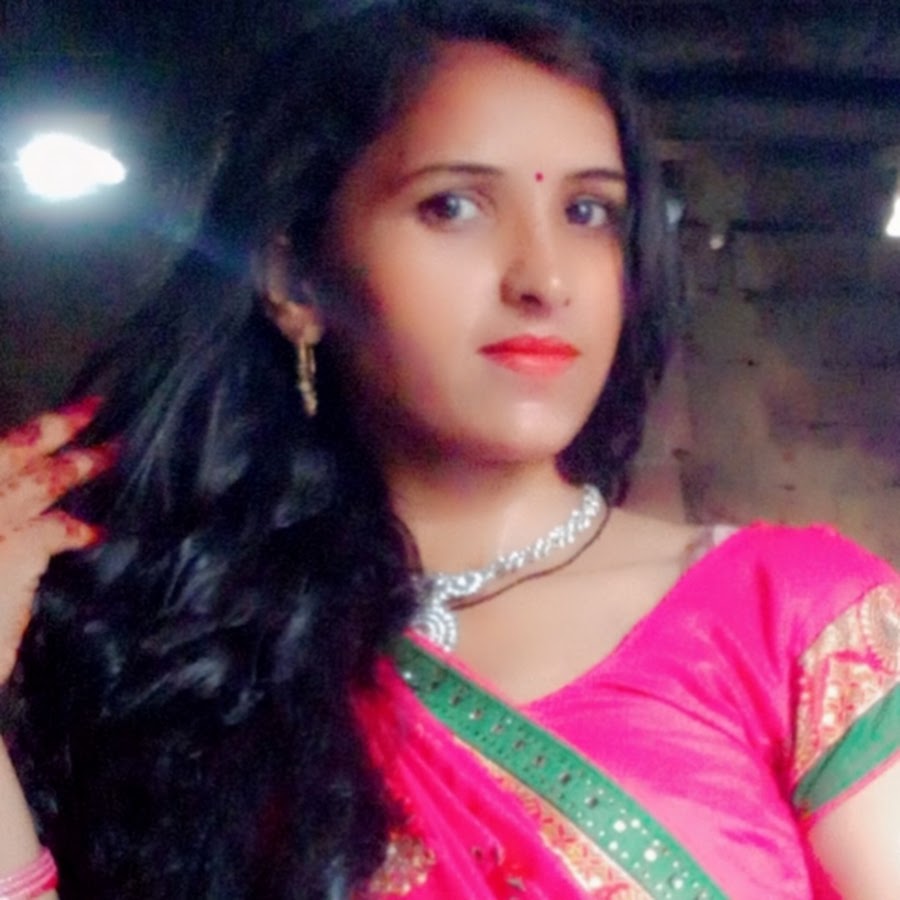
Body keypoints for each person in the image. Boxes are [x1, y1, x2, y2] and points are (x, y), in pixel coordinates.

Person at [0, 1, 898, 897]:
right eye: (454, 205)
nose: (545, 278)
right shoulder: (192, 662)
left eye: (588, 211)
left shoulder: (796, 624)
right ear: (296, 278)